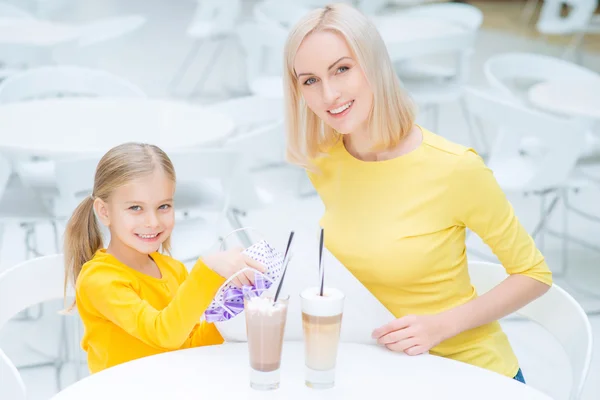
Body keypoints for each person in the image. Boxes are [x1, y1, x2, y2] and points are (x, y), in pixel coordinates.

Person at [283, 3, 552, 383]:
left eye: (342, 69)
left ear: (374, 64)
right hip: (387, 371)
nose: (329, 94)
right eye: (309, 80)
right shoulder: (326, 160)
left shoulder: (456, 168)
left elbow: (533, 274)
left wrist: (439, 327)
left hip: (470, 371)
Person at [63, 142, 265, 373]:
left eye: (164, 206)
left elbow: (188, 345)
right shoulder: (99, 280)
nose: (153, 221)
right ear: (104, 212)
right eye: (136, 208)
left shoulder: (173, 269)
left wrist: (231, 302)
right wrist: (207, 270)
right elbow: (164, 334)